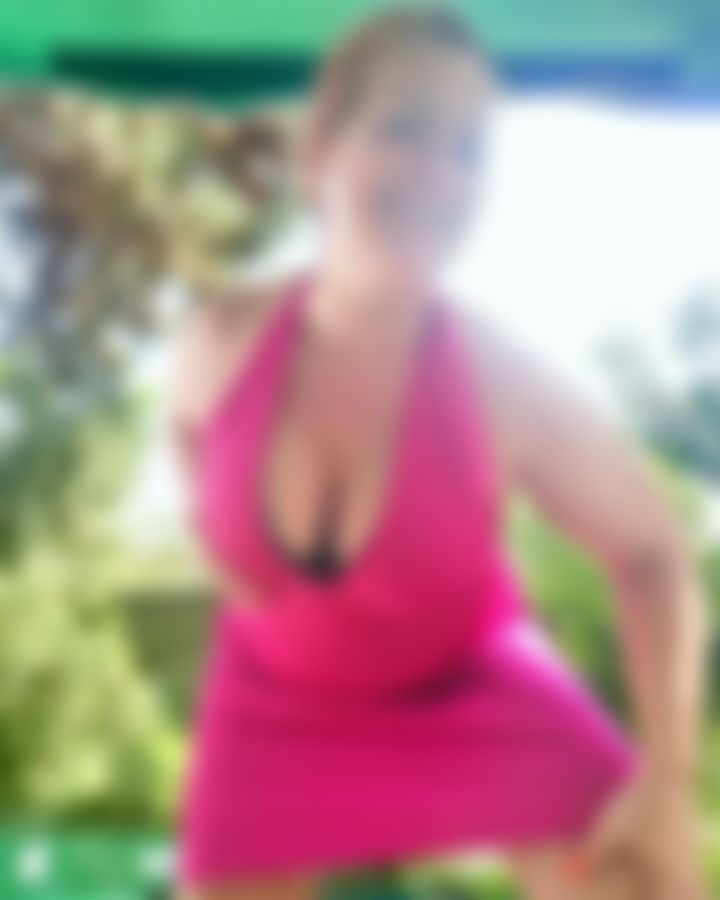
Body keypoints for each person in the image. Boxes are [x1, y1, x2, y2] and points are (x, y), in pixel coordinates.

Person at [168, 7, 709, 899]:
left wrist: (671, 786)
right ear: (323, 146)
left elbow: (654, 550)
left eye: (469, 150)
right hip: (270, 705)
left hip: (473, 687)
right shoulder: (222, 341)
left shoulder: (501, 380)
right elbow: (186, 429)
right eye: (406, 129)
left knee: (646, 879)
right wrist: (205, 519)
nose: (439, 173)